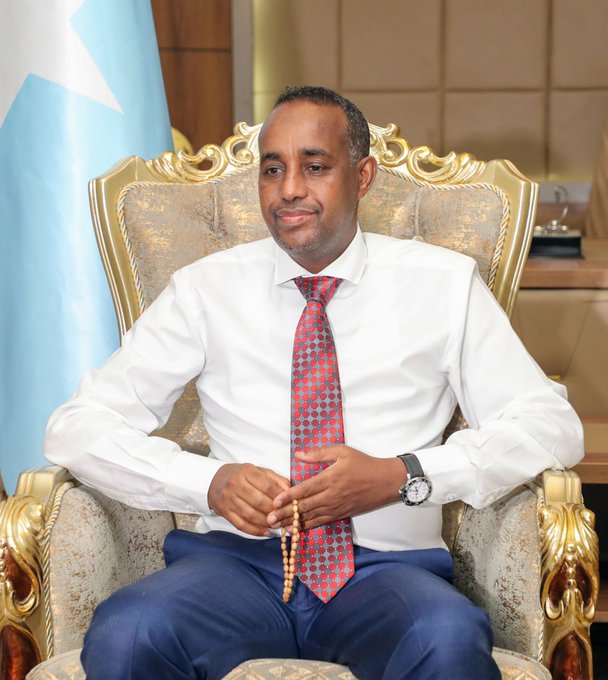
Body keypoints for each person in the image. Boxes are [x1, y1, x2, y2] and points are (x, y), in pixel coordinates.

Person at [45, 86, 583, 680]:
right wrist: (207, 483)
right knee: (128, 632)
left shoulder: (444, 285)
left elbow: (549, 425)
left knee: (447, 638)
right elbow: (77, 427)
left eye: (316, 166)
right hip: (234, 567)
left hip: (385, 571)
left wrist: (402, 476)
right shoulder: (204, 289)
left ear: (363, 176)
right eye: (273, 169)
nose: (290, 189)